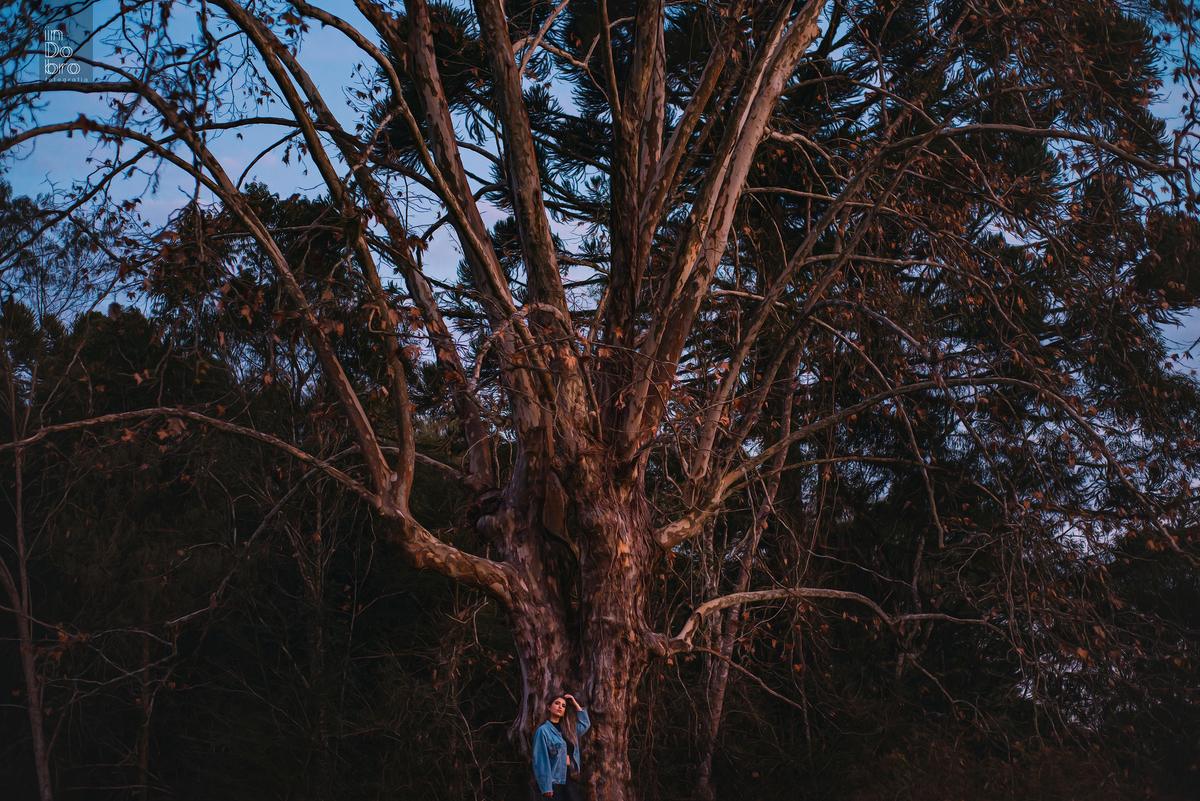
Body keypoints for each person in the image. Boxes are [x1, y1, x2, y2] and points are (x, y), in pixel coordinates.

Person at [532, 693, 590, 800]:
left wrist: (575, 703)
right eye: (557, 703)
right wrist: (546, 787)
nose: (560, 707)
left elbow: (585, 724)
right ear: (549, 707)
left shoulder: (568, 730)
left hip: (568, 778)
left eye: (563, 706)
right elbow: (540, 760)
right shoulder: (543, 731)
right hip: (553, 781)